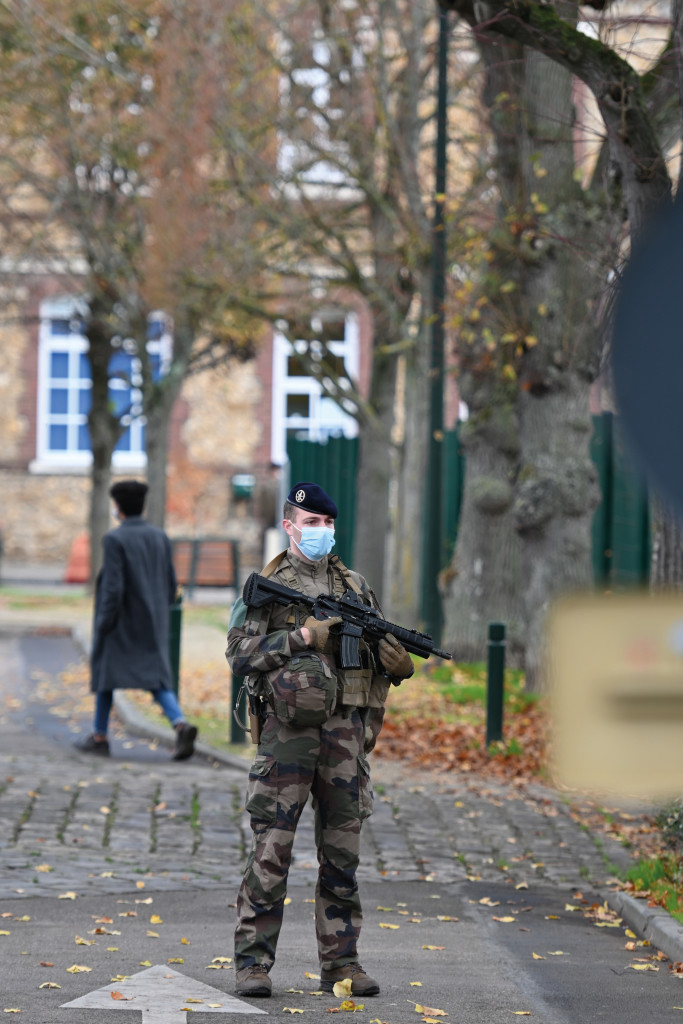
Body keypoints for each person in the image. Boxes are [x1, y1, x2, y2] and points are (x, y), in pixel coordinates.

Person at [226, 481, 414, 999]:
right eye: (311, 524)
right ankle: (253, 965)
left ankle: (343, 964)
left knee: (342, 856)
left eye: (328, 524)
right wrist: (302, 637)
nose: (321, 532)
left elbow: (374, 650)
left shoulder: (354, 586)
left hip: (345, 739)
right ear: (289, 526)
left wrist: (395, 665)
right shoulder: (267, 584)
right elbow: (239, 655)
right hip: (287, 736)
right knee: (272, 852)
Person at [74, 479, 197, 761]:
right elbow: (170, 584)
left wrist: (103, 623)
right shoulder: (159, 537)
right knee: (156, 680)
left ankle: (100, 736)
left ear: (118, 507)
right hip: (153, 623)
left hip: (120, 624)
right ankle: (180, 724)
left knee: (106, 677)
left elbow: (113, 588)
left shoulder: (115, 539)